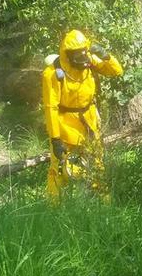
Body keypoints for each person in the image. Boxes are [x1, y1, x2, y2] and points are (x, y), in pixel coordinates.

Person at [42, 29, 123, 202]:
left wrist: (106, 56)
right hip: (64, 126)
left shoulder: (90, 62)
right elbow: (50, 107)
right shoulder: (53, 74)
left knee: (96, 163)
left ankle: (103, 202)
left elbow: (116, 71)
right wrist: (55, 139)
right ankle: (53, 207)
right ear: (67, 54)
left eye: (83, 51)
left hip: (89, 122)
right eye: (76, 53)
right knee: (58, 168)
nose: (82, 57)